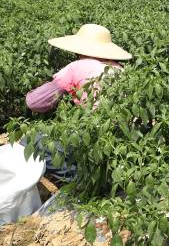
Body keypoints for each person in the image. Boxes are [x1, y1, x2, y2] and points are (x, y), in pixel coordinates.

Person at [24, 24, 132, 181]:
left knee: (31, 141)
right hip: (123, 133)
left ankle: (80, 180)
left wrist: (32, 94)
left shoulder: (76, 67)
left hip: (96, 133)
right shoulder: (120, 69)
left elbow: (36, 103)